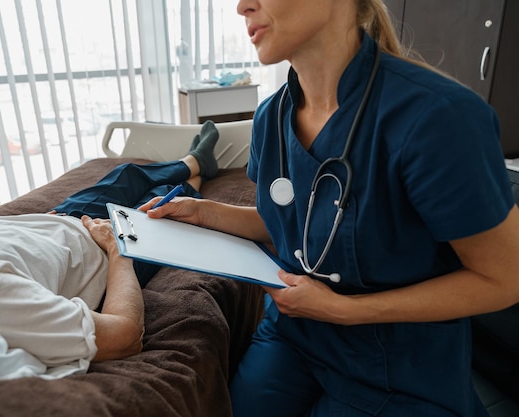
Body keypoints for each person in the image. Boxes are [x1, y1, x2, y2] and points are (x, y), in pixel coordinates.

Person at [143, 1, 519, 416]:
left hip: (397, 362)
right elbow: (294, 225)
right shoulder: (272, 115)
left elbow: (503, 278)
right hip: (296, 332)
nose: (241, 6)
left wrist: (346, 310)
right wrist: (202, 212)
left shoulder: (437, 116)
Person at [0, 121, 220, 388]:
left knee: (126, 175)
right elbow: (123, 337)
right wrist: (118, 251)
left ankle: (191, 161)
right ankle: (198, 173)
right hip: (104, 254)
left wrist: (29, 227)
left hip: (59, 222)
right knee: (164, 203)